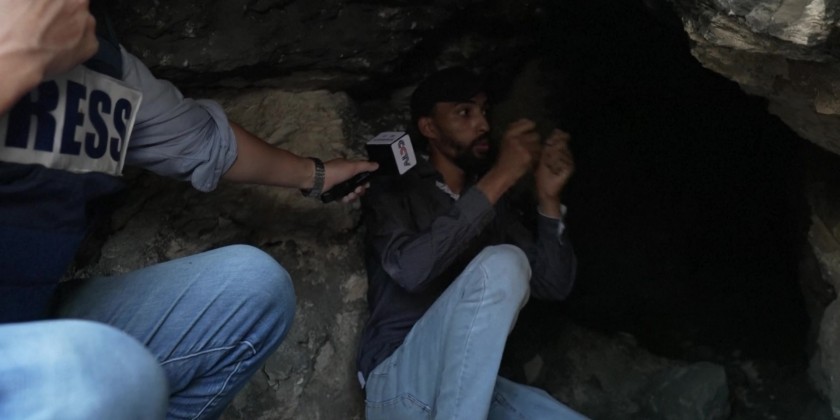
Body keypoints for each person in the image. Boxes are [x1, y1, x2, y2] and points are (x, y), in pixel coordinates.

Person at [0, 0, 377, 419]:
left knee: (252, 285)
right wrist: (14, 56)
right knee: (100, 371)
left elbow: (200, 141)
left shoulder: (94, 55)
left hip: (33, 316)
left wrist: (316, 175)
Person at [356, 66, 588, 419]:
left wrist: (548, 199)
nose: (483, 124)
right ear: (429, 127)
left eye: (484, 111)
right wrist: (501, 176)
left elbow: (551, 284)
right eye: (464, 112)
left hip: (473, 389)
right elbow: (409, 269)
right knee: (503, 264)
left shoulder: (496, 206)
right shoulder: (396, 187)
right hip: (401, 381)